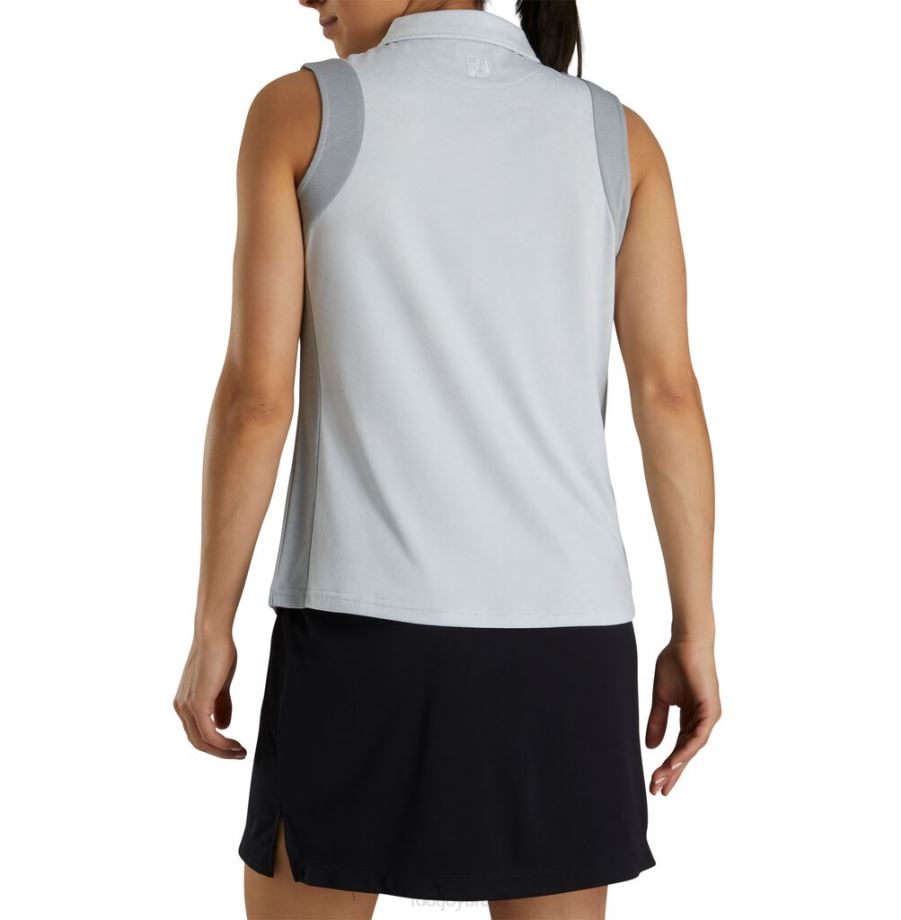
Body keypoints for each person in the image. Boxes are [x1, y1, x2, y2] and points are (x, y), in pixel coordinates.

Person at [173, 1, 722, 918]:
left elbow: (255, 402)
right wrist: (694, 630)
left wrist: (210, 626)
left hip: (360, 633)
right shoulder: (617, 135)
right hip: (566, 646)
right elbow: (668, 394)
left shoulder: (300, 112)